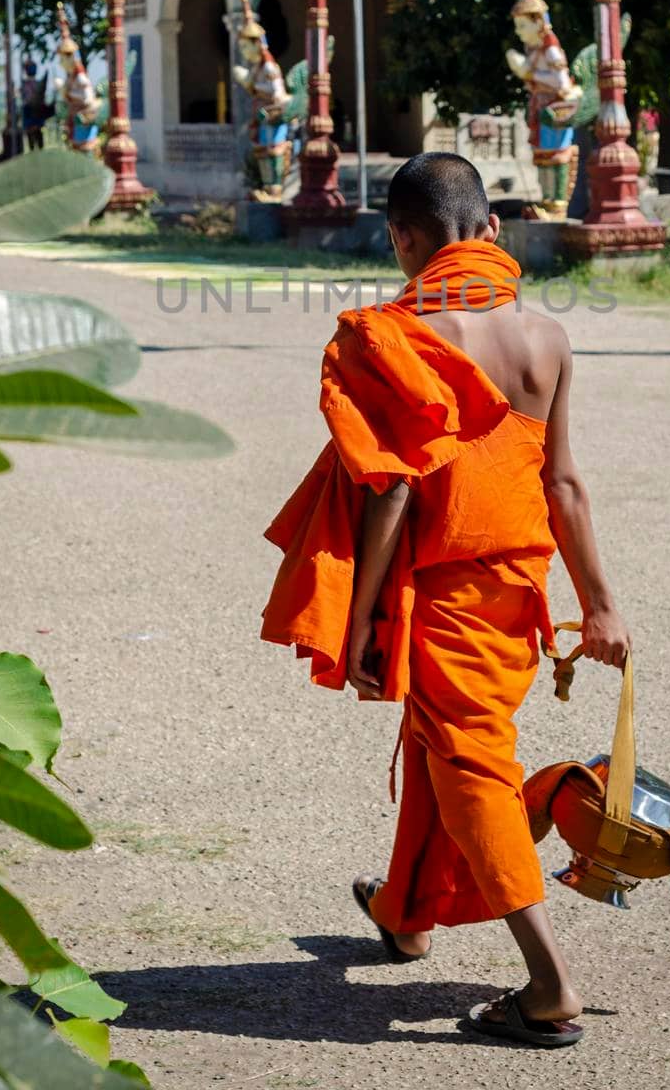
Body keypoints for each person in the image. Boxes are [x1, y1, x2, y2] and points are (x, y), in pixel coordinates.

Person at [262, 151, 630, 1049]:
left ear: (401, 240)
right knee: (444, 747)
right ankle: (405, 913)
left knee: (469, 768)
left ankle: (548, 986)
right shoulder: (546, 338)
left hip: (437, 588)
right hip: (519, 589)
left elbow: (387, 490)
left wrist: (355, 623)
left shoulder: (389, 334)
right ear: (492, 231)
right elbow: (565, 485)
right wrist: (603, 605)